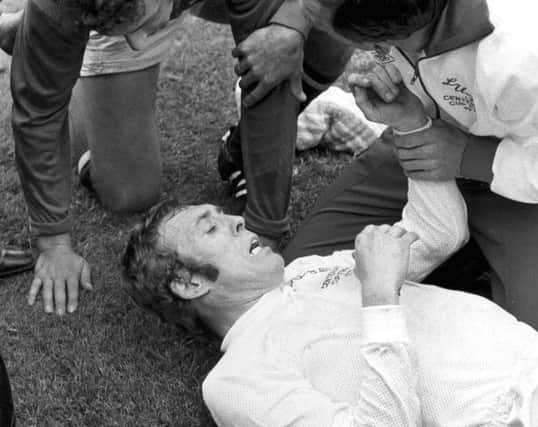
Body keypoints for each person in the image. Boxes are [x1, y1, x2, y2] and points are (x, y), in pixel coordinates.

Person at [122, 178, 538, 426]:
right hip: (528, 411)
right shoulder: (235, 380)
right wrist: (378, 297)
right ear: (188, 285)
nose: (236, 221)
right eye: (211, 227)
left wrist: (412, 124)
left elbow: (438, 235)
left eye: (224, 214)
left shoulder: (304, 272)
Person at [2, 0, 352, 315]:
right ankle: (51, 38)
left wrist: (265, 228)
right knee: (128, 193)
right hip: (84, 11)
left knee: (325, 31)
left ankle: (239, 148)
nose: (139, 40)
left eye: (142, 27)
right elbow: (37, 113)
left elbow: (273, 77)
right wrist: (52, 243)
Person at [281, 0, 538, 329]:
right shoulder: (402, 21)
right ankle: (472, 254)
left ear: (373, 42)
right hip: (424, 137)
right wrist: (410, 117)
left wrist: (471, 157)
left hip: (533, 172)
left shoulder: (527, 57)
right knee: (301, 278)